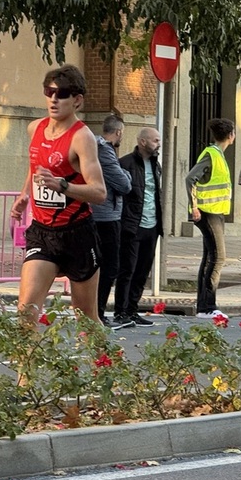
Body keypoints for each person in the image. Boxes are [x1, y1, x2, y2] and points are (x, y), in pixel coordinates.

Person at [10, 64, 106, 335]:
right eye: (49, 91)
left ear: (77, 100)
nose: (53, 98)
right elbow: (35, 166)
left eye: (62, 93)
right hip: (42, 233)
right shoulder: (34, 129)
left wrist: (62, 185)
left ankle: (107, 370)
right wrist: (25, 194)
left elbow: (99, 192)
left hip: (77, 234)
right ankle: (23, 379)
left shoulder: (82, 137)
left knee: (86, 319)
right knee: (26, 311)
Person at [113, 128, 163, 328]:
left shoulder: (156, 165)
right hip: (132, 226)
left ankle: (133, 310)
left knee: (143, 271)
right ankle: (120, 312)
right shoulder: (125, 163)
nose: (158, 143)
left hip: (152, 225)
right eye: (155, 140)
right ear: (143, 142)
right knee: (127, 270)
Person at [185, 118, 235, 319]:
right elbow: (190, 178)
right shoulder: (212, 154)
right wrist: (194, 207)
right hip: (208, 212)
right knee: (218, 257)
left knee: (209, 258)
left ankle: (203, 306)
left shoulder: (217, 155)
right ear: (230, 136)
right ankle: (208, 306)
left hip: (214, 211)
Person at [89, 114, 131, 328]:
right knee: (109, 267)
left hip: (96, 215)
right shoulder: (105, 151)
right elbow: (124, 185)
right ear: (118, 132)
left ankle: (94, 312)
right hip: (106, 216)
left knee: (98, 265)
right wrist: (126, 175)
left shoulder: (94, 146)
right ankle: (98, 312)